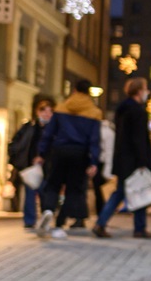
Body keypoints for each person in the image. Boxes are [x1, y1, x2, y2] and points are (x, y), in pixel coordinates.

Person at [95, 77, 151, 239]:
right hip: (133, 161)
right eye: (145, 88)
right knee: (131, 191)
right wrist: (142, 161)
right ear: (139, 91)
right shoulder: (137, 111)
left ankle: (138, 227)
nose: (147, 92)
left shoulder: (122, 110)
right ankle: (103, 223)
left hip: (123, 159)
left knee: (130, 191)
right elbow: (139, 139)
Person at [35, 81, 102, 239]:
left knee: (53, 184)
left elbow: (49, 133)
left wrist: (41, 153)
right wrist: (94, 162)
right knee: (73, 190)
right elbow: (95, 140)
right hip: (80, 154)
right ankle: (59, 224)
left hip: (59, 151)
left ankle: (48, 210)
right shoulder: (94, 112)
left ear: (74, 90)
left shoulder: (61, 107)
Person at [7, 95, 54, 229]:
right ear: (38, 112)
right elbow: (17, 143)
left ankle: (46, 217)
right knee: (30, 193)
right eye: (44, 111)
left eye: (50, 111)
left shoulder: (54, 129)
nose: (47, 114)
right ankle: (29, 220)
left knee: (45, 192)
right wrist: (18, 159)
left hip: (47, 167)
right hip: (30, 166)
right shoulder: (29, 127)